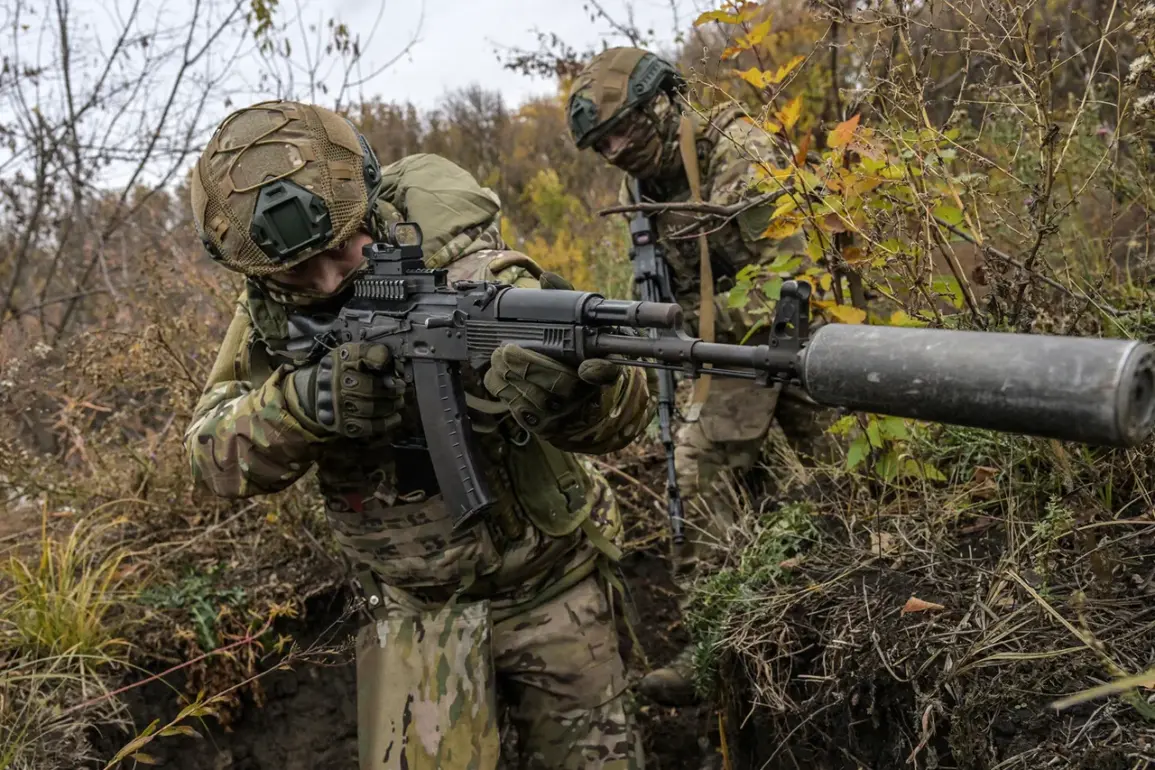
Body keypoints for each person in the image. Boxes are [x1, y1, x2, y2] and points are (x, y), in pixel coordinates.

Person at [183, 99, 656, 770]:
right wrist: (302, 405)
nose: (326, 279)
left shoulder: (472, 270)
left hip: (554, 590)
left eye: (339, 248)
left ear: (367, 205)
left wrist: (576, 397)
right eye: (298, 272)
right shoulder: (270, 312)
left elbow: (626, 416)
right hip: (410, 615)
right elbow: (210, 456)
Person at [566, 47, 837, 706]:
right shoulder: (641, 188)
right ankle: (718, 642)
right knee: (698, 474)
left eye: (623, 131)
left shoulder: (738, 153)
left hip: (801, 344)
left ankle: (849, 599)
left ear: (664, 102)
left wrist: (702, 338)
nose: (615, 152)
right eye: (602, 145)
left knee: (845, 481)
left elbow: (791, 278)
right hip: (722, 357)